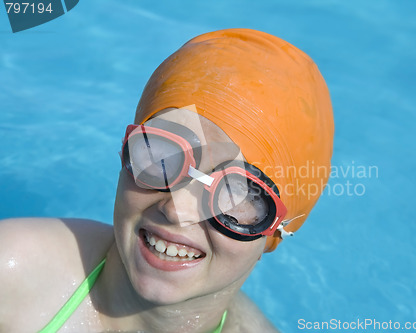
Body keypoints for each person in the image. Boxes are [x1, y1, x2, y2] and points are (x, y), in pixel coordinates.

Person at [0, 28, 334, 332]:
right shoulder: (13, 277)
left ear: (277, 229)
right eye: (163, 157)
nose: (177, 209)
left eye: (234, 192)